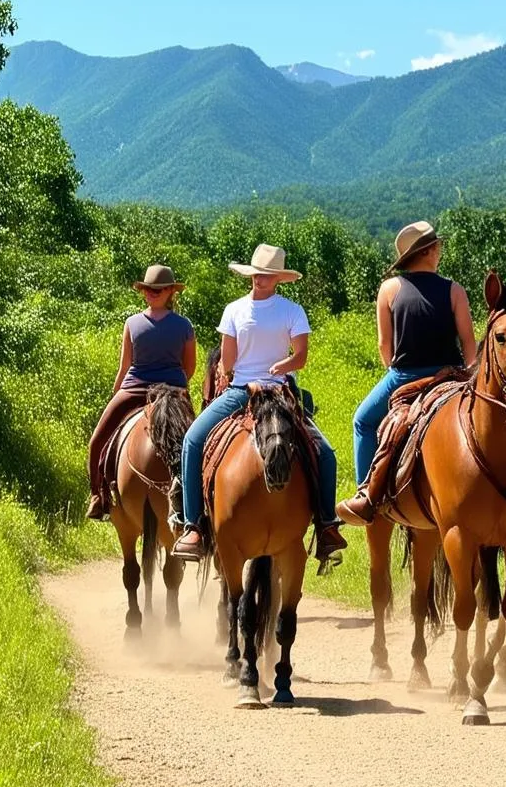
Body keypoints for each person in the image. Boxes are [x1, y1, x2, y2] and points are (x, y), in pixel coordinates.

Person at [171, 244, 347, 563]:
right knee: (192, 440)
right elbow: (226, 362)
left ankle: (326, 525)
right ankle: (192, 526)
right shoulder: (234, 310)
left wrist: (283, 367)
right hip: (241, 390)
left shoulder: (292, 310)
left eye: (267, 275)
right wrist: (244, 378)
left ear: (278, 278)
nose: (260, 280)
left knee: (325, 452)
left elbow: (301, 356)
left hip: (280, 391)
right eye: (256, 274)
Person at [336, 221, 477, 525]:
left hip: (404, 376)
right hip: (450, 375)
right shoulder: (454, 290)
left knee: (362, 421)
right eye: (437, 246)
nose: (440, 251)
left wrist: (395, 369)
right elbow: (469, 344)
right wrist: (467, 376)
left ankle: (366, 495)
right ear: (428, 252)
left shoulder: (389, 289)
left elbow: (384, 345)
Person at [86, 265, 196, 520]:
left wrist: (174, 389)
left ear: (171, 291)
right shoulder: (132, 323)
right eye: (148, 289)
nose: (153, 293)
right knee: (96, 441)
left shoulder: (184, 326)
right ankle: (98, 495)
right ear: (143, 292)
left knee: (198, 444)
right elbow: (125, 366)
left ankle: (198, 506)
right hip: (135, 386)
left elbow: (188, 366)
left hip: (172, 393)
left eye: (159, 289)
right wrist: (116, 394)